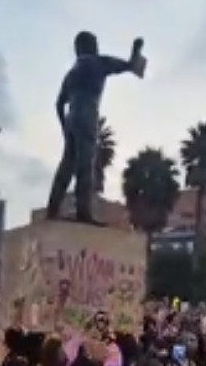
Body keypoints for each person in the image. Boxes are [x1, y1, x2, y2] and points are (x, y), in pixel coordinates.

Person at [47, 31, 141, 224]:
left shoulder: (71, 73)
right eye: (95, 43)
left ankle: (52, 209)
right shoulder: (99, 62)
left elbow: (58, 104)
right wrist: (135, 51)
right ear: (90, 46)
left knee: (67, 164)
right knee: (86, 164)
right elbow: (129, 65)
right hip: (88, 113)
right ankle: (83, 212)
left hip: (72, 115)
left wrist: (65, 128)